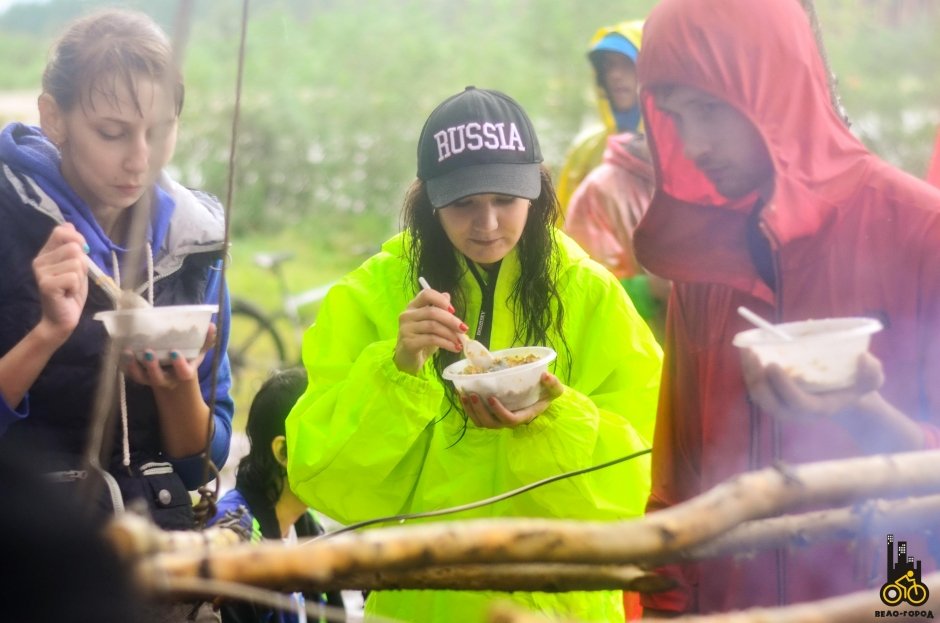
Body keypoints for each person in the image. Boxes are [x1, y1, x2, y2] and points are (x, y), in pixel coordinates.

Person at [286, 86, 662, 622]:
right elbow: (324, 478)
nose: (487, 226)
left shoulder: (589, 293)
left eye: (505, 201)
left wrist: (555, 420)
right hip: (422, 600)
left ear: (537, 189)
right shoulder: (371, 296)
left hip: (558, 601)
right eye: (463, 204)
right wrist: (398, 372)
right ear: (428, 200)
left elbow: (645, 476)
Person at [631, 0, 940, 615]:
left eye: (711, 109)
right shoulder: (705, 262)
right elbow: (676, 487)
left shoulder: (917, 231)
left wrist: (859, 410)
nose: (693, 144)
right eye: (675, 116)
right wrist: (667, 611)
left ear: (774, 85)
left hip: (892, 599)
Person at [0, 8, 233, 532]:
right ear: (53, 117)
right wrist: (47, 333)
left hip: (158, 558)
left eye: (160, 131)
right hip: (29, 558)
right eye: (112, 133)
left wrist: (177, 389)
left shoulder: (193, 245)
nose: (140, 160)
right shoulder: (8, 221)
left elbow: (203, 465)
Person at [208, 367, 346, 623]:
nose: (345, 452)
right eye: (328, 436)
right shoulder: (233, 536)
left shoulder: (308, 526)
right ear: (282, 452)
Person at [555, 20, 644, 220]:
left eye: (626, 63)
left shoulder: (677, 148)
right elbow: (561, 225)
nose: (615, 75)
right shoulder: (586, 149)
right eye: (608, 66)